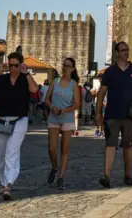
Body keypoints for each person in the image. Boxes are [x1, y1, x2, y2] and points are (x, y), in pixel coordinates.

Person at [0, 51, 39, 200]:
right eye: (11, 65)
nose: (13, 68)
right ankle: (3, 182)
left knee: (11, 152)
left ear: (21, 65)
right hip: (1, 118)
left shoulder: (24, 79)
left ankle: (9, 184)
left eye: (16, 65)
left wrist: (26, 73)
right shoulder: (2, 79)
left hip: (19, 120)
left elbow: (34, 90)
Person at [96, 41, 132, 188]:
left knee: (128, 145)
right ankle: (106, 176)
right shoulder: (110, 72)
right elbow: (102, 93)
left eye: (127, 49)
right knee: (110, 145)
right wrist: (98, 112)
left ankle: (128, 175)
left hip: (129, 115)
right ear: (117, 53)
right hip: (112, 114)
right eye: (123, 50)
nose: (126, 52)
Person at [45, 57, 82, 190]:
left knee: (65, 150)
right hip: (54, 117)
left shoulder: (74, 85)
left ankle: (61, 177)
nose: (65, 68)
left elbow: (77, 104)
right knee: (52, 148)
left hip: (67, 118)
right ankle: (55, 167)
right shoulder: (55, 82)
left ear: (73, 69)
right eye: (64, 65)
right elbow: (46, 99)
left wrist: (64, 110)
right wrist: (51, 108)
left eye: (68, 66)